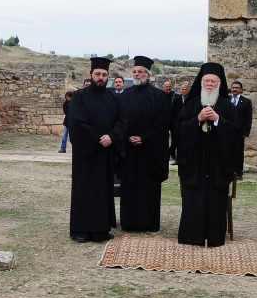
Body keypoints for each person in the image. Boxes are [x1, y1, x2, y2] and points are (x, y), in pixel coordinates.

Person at [176, 62, 241, 246]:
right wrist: (198, 119)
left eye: (213, 81)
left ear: (219, 84)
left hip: (218, 165)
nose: (210, 84)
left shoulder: (227, 106)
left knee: (215, 201)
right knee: (193, 200)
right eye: (207, 81)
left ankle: (214, 237)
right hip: (194, 163)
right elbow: (179, 130)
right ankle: (192, 236)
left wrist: (218, 120)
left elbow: (236, 134)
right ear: (201, 82)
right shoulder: (192, 103)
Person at [68, 57, 123, 242]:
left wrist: (112, 137)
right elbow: (76, 123)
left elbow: (122, 122)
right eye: (97, 74)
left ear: (108, 76)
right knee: (83, 191)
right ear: (91, 75)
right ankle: (80, 230)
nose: (100, 77)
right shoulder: (79, 97)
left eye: (104, 74)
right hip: (85, 154)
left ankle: (100, 230)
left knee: (102, 191)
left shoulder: (113, 98)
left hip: (105, 154)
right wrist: (98, 138)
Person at [117, 56, 170, 232]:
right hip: (129, 151)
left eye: (141, 71)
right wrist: (127, 137)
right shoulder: (124, 96)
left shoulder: (160, 97)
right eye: (135, 71)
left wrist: (144, 138)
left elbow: (162, 124)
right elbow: (119, 121)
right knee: (130, 188)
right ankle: (129, 223)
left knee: (149, 189)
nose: (138, 74)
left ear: (148, 74)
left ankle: (149, 223)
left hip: (150, 151)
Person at [228, 80, 253, 179]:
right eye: (233, 87)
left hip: (239, 133)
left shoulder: (246, 102)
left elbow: (248, 118)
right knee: (226, 151)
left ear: (241, 90)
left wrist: (246, 132)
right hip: (226, 132)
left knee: (238, 153)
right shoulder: (227, 99)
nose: (234, 89)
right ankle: (227, 171)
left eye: (237, 88)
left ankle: (238, 173)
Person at [170, 81, 190, 163]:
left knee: (185, 143)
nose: (184, 90)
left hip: (188, 125)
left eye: (185, 89)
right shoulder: (176, 99)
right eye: (182, 89)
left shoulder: (191, 99)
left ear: (188, 90)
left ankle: (185, 159)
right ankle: (176, 158)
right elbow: (173, 112)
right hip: (177, 126)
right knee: (176, 142)